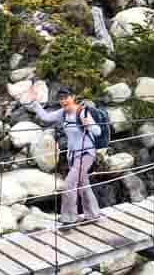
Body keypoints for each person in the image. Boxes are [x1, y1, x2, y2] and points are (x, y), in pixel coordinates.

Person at [28, 87, 101, 225]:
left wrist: (89, 125)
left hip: (86, 154)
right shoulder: (63, 113)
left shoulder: (82, 111)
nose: (63, 101)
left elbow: (97, 131)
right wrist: (34, 102)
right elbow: (46, 117)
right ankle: (93, 214)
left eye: (66, 97)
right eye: (61, 98)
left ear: (73, 97)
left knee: (69, 184)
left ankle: (69, 218)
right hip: (73, 156)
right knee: (82, 184)